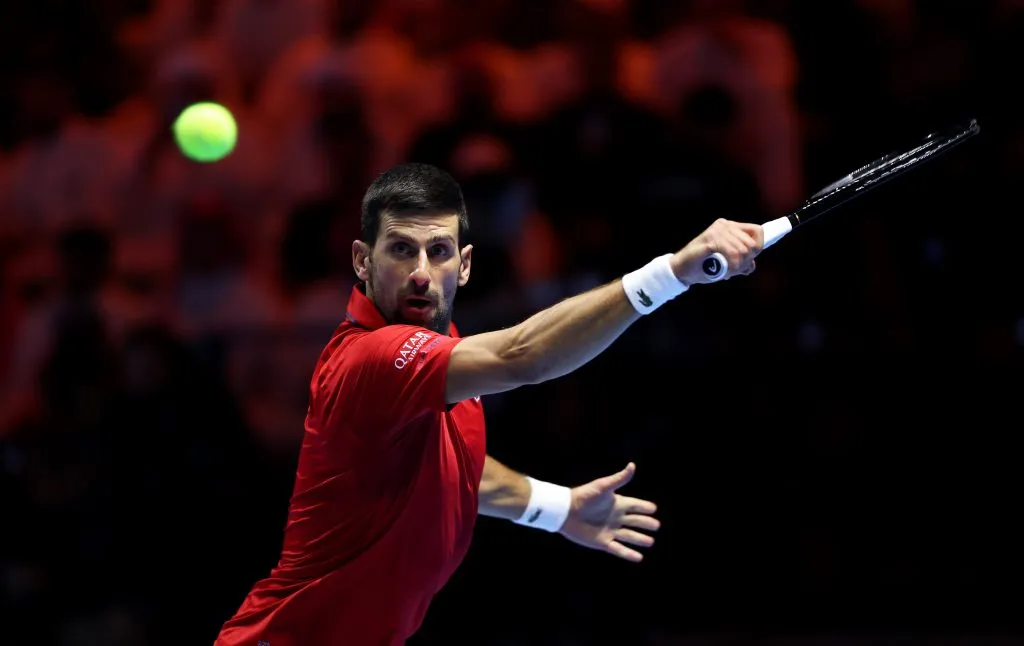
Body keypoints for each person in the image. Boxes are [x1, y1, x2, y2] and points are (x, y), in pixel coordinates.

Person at [215, 163, 762, 645]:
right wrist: (669, 275)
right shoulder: (371, 358)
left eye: (439, 251)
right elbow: (522, 355)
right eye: (401, 249)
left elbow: (455, 470)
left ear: (466, 263)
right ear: (362, 260)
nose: (422, 272)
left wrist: (558, 508)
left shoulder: (441, 352)